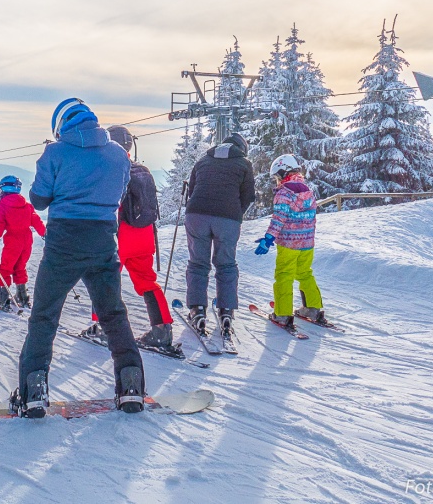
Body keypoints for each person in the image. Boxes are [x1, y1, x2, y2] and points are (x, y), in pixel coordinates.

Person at [13, 98, 145, 418]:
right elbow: (120, 191)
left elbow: (39, 200)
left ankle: (34, 391)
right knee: (113, 314)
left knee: (44, 316)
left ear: (60, 126)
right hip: (102, 242)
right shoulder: (117, 153)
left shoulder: (55, 152)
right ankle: (131, 384)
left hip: (63, 243)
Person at [82, 125, 176, 352]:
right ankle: (162, 330)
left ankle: (103, 328)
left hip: (119, 235)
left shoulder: (109, 169)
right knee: (146, 281)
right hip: (144, 235)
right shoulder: (141, 169)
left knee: (103, 279)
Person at [183, 133, 255, 339]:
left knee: (198, 263)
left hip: (196, 215)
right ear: (242, 148)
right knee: (226, 264)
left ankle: (197, 310)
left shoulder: (203, 160)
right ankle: (226, 312)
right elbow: (248, 195)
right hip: (228, 219)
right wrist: (235, 213)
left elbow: (192, 190)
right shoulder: (244, 163)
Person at [255, 154, 324, 329]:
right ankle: (313, 308)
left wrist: (268, 238)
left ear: (284, 172)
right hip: (307, 243)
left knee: (284, 275)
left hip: (289, 243)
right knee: (304, 273)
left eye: (277, 176)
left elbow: (279, 218)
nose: (277, 181)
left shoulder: (284, 193)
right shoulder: (307, 190)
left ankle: (283, 313)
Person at [0, 175, 45, 310]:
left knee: (6, 268)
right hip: (27, 241)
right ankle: (22, 297)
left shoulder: (2, 206)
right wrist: (44, 234)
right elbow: (36, 221)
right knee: (20, 266)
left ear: (3, 190)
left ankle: (3, 299)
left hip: (13, 241)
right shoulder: (26, 205)